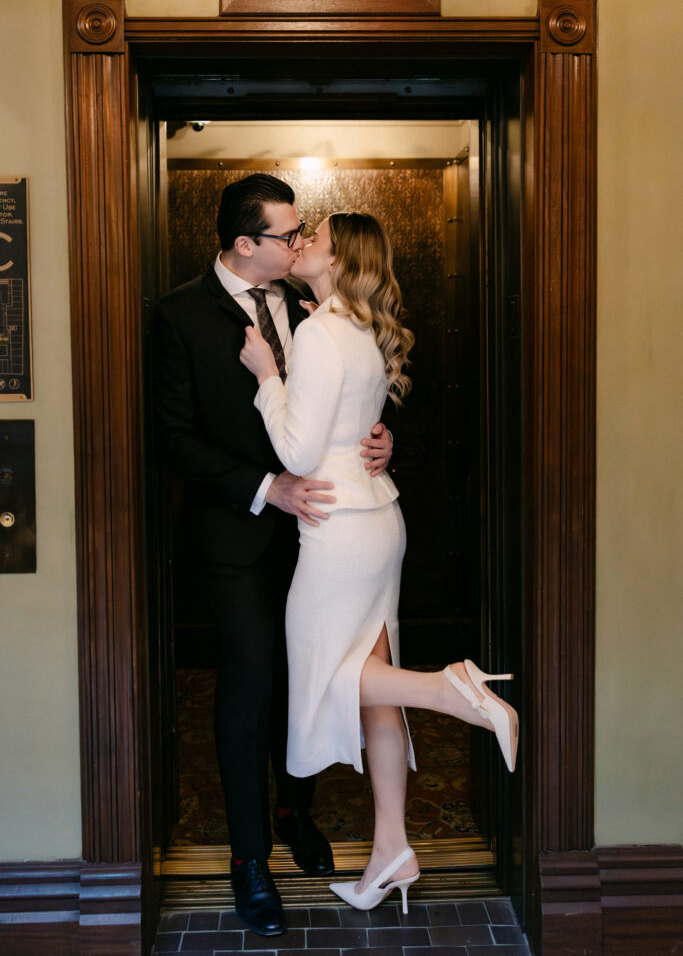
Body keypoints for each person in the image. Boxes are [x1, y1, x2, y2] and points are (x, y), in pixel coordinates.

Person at [240, 211, 519, 912]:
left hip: (336, 526)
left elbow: (298, 455)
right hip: (375, 518)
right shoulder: (354, 329)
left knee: (328, 673)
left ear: (338, 262)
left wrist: (268, 375)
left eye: (315, 239)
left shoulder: (319, 332)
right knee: (375, 689)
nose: (300, 244)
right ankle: (391, 851)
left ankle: (452, 691)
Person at [153, 176, 394, 936]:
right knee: (252, 680)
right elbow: (174, 437)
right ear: (241, 244)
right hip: (237, 535)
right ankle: (248, 861)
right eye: (286, 235)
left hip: (324, 534)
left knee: (312, 675)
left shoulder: (314, 308)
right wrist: (266, 487)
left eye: (302, 235)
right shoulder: (178, 314)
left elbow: (351, 401)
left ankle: (297, 811)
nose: (298, 244)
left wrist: (384, 442)